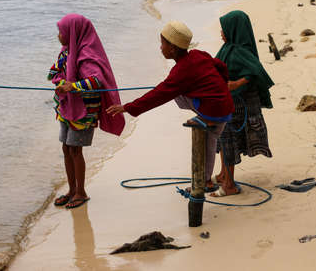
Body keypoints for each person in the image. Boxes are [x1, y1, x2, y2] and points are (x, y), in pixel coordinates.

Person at [106, 21, 234, 191]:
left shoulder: (181, 71)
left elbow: (158, 95)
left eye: (163, 43)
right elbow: (221, 66)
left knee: (206, 141)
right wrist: (222, 85)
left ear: (172, 48)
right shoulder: (197, 54)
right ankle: (205, 181)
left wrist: (128, 107)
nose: (160, 48)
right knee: (209, 142)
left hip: (213, 112)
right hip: (225, 108)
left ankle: (203, 182)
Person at [50, 14, 125, 209]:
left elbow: (96, 80)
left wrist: (73, 86)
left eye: (61, 32)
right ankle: (71, 189)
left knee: (76, 150)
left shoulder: (87, 53)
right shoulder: (66, 51)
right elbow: (54, 71)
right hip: (66, 107)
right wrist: (60, 82)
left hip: (84, 111)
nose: (59, 35)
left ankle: (81, 192)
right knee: (66, 148)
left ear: (72, 32)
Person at [211, 10, 274, 197]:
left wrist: (237, 83)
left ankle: (229, 185)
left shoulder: (240, 50)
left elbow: (257, 72)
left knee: (228, 139)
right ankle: (223, 175)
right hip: (228, 102)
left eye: (224, 29)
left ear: (234, 30)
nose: (221, 33)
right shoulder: (229, 47)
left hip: (239, 104)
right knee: (223, 139)